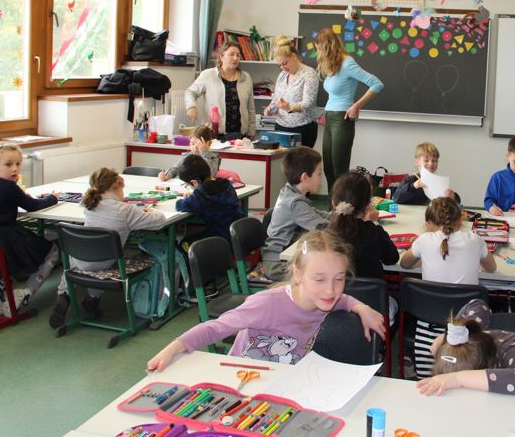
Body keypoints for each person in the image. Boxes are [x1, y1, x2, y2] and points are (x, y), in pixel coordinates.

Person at [146, 230, 386, 370]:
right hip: (242, 379)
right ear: (298, 274)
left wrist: (361, 307)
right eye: (320, 279)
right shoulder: (267, 304)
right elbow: (215, 328)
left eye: (339, 278)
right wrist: (173, 348)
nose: (330, 290)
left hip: (281, 379)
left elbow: (342, 299)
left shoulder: (325, 298)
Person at [49, 168, 167, 329]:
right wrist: (152, 210)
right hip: (106, 262)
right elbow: (159, 221)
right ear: (116, 186)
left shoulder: (90, 205)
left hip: (80, 258)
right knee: (107, 264)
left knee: (76, 260)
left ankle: (63, 295)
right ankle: (92, 298)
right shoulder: (126, 211)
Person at [399, 197, 496, 377]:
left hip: (428, 325)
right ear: (460, 220)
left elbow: (404, 263)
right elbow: (492, 268)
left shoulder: (424, 240)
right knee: (462, 381)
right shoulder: (475, 240)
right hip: (467, 329)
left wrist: (424, 260)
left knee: (430, 380)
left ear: (428, 224)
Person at [0, 143, 59, 314]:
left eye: (18, 164)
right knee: (53, 250)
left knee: (32, 241)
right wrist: (53, 198)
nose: (14, 169)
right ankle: (25, 292)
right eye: (8, 164)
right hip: (5, 245)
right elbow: (33, 205)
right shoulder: (8, 187)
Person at [315, 27, 383, 191]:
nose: (318, 54)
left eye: (319, 50)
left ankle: (342, 206)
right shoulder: (333, 65)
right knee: (328, 170)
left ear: (327, 48)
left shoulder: (347, 63)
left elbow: (377, 84)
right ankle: (333, 205)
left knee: (339, 172)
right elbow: (334, 94)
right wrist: (325, 113)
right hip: (330, 118)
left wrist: (357, 105)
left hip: (342, 119)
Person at [262, 146, 332, 282]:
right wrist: (351, 224)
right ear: (305, 177)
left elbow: (320, 214)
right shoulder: (295, 203)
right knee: (321, 273)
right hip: (278, 264)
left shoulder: (291, 193)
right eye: (319, 174)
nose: (321, 179)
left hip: (280, 256)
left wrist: (345, 214)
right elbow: (324, 227)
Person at [329, 171, 399, 281]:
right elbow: (392, 258)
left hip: (338, 291)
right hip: (373, 292)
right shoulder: (374, 232)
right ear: (368, 205)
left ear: (334, 202)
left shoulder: (327, 234)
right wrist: (375, 222)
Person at [184, 42, 256, 140]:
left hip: (240, 137)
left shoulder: (246, 77)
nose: (235, 58)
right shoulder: (208, 75)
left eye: (238, 55)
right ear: (222, 57)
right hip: (214, 135)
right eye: (231, 54)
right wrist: (191, 107)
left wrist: (251, 133)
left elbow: (251, 108)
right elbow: (190, 92)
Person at [264, 35, 320, 148]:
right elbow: (276, 99)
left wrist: (289, 107)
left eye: (285, 63)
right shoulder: (282, 75)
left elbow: (308, 103)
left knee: (300, 160)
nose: (283, 68)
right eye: (279, 65)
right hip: (281, 127)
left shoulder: (309, 74)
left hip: (302, 129)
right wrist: (271, 109)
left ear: (294, 56)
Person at [175, 154, 243, 242]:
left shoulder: (200, 195)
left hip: (221, 239)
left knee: (184, 242)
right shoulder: (226, 184)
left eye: (188, 185)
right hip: (238, 233)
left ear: (194, 183)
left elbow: (179, 205)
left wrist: (188, 198)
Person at [393, 142, 460, 205]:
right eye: (426, 160)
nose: (430, 163)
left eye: (434, 160)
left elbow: (457, 202)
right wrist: (414, 186)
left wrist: (453, 196)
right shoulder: (410, 180)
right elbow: (396, 199)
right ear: (417, 162)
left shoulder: (438, 182)